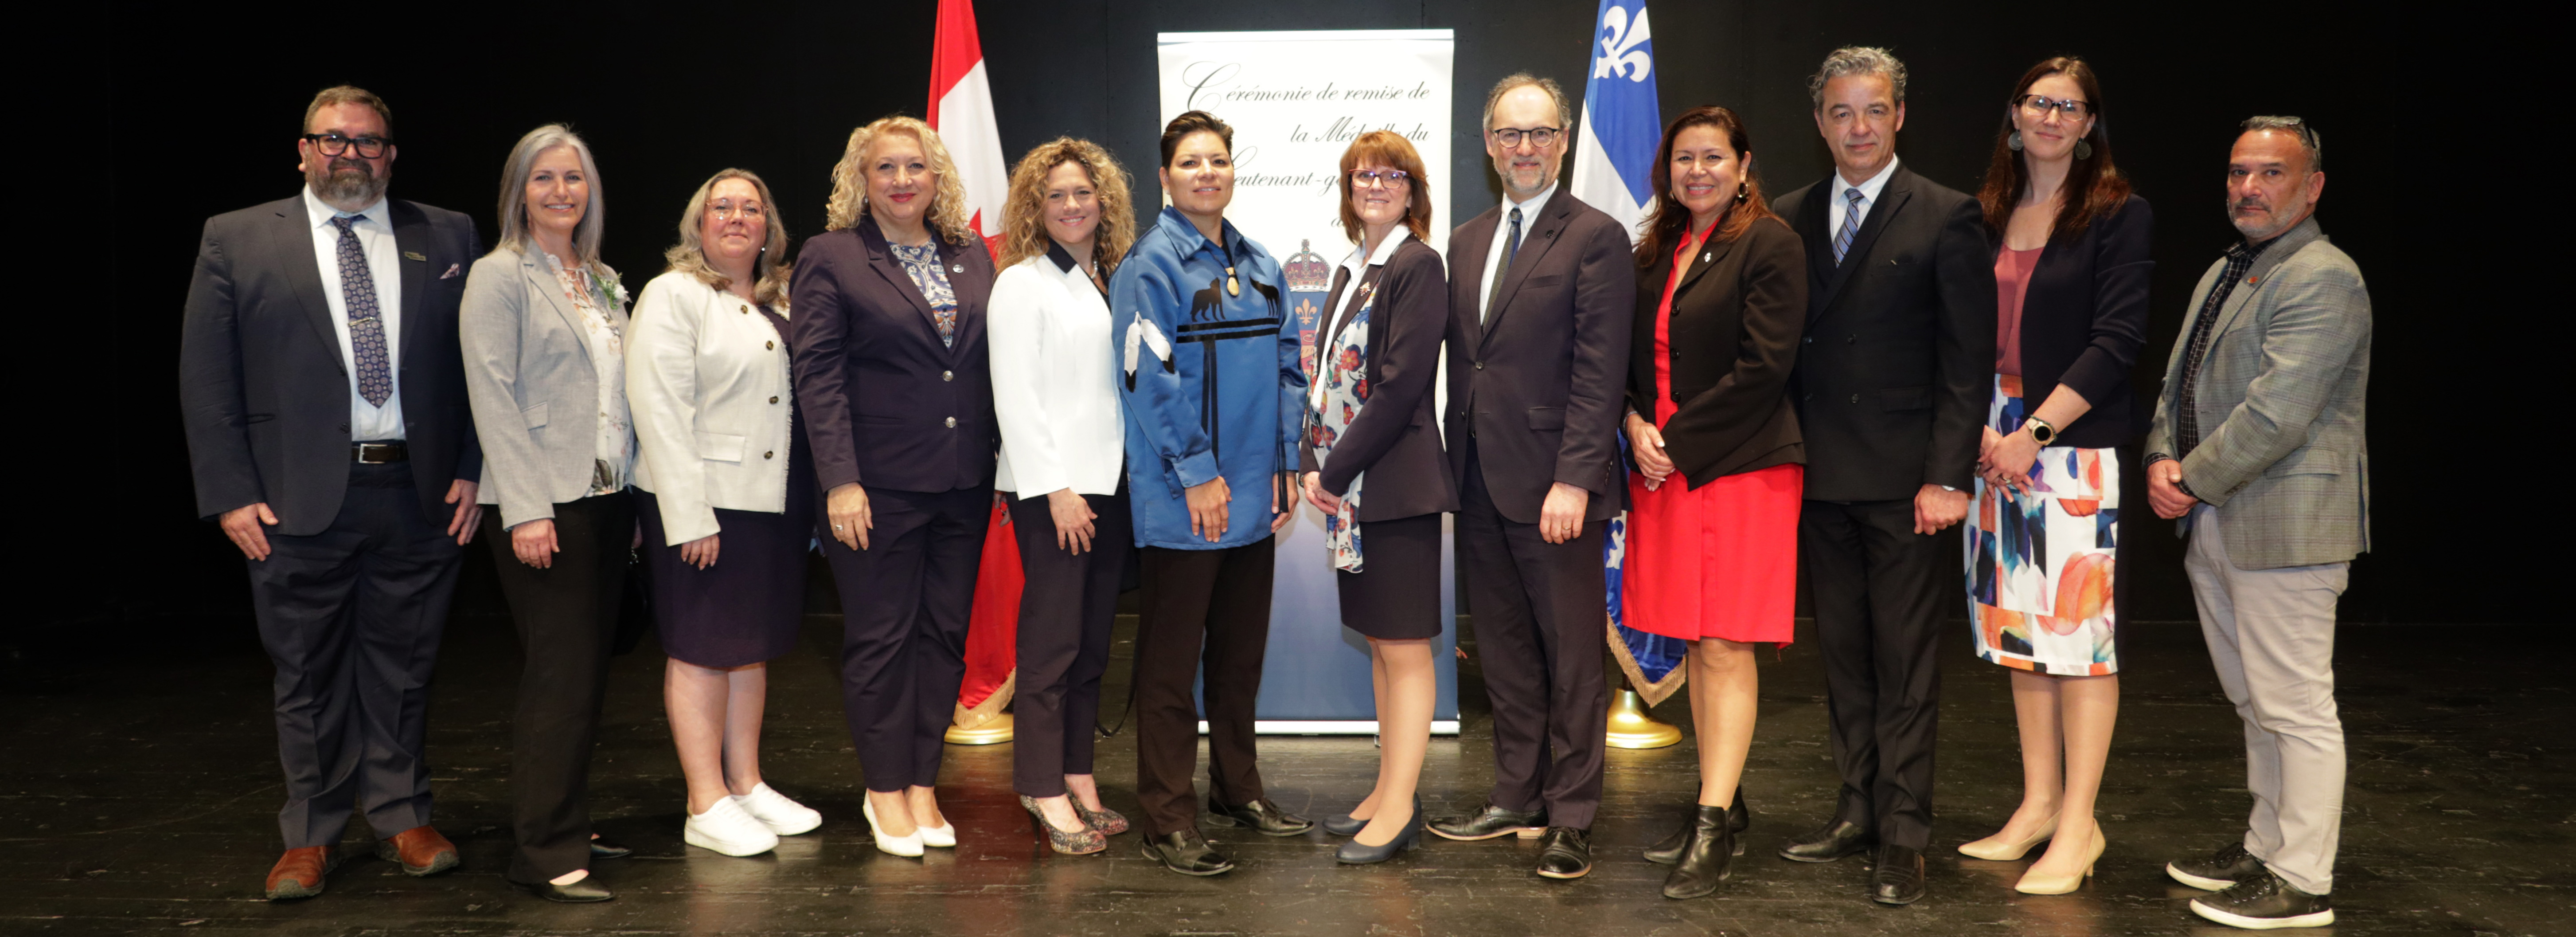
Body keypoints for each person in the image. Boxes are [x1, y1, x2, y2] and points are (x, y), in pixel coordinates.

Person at [179, 86, 483, 902]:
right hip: (290, 497)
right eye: (334, 141)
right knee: (307, 672)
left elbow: (484, 363)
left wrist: (474, 464)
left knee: (406, 665)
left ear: (392, 154)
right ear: (304, 149)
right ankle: (311, 832)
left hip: (418, 492)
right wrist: (231, 493)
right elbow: (206, 379)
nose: (352, 155)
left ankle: (400, 814)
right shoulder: (237, 237)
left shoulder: (446, 233)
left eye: (370, 143)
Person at [1770, 47, 1994, 907]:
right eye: (1839, 112)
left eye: (1872, 110)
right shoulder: (1788, 215)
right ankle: (1855, 809)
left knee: (1904, 664)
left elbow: (1964, 362)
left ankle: (1903, 834)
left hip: (1909, 485)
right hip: (1819, 476)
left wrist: (1947, 476)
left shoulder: (1946, 215)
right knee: (1843, 658)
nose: (1856, 127)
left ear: (1898, 115)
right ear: (1819, 121)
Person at [2149, 116, 2368, 932]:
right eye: (2240, 171)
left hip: (2287, 523)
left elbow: (2277, 415)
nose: (2249, 187)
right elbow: (2178, 381)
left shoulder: (2324, 276)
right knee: (2255, 700)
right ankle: (2266, 846)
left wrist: (2188, 478)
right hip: (2219, 518)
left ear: (2311, 187)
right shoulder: (2226, 271)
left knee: (2296, 704)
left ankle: (2304, 879)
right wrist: (2160, 458)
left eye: (2271, 173)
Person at [1425, 74, 1635, 882]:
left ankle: (1573, 813)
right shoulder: (1469, 239)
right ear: (1488, 143)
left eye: (1540, 133)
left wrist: (1576, 479)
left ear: (1564, 139)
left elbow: (1599, 371)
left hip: (1555, 487)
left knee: (1574, 654)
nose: (1524, 147)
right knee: (1507, 651)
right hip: (1476, 478)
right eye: (1510, 135)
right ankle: (1518, 792)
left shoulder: (1596, 236)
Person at [1952, 57, 2152, 898]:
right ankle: (2037, 803)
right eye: (2039, 101)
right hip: (1994, 440)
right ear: (2015, 115)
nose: (2051, 116)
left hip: (2066, 443)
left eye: (2069, 107)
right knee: (2021, 635)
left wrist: (2035, 432)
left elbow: (2118, 341)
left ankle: (2080, 823)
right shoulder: (1988, 213)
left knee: (2080, 639)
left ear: (2089, 125)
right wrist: (1988, 433)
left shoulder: (2118, 214)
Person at [790, 116, 997, 859]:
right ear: (862, 180)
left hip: (965, 483)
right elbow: (816, 373)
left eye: (916, 166)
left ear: (937, 179)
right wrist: (840, 480)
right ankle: (884, 789)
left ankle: (921, 782)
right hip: (874, 489)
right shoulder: (831, 256)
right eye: (886, 168)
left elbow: (981, 368)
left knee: (943, 637)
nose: (903, 180)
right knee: (883, 638)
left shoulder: (971, 255)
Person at [1114, 110, 1310, 877]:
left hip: (1254, 501)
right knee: (1169, 669)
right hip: (1182, 498)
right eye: (1191, 162)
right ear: (1165, 177)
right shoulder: (1151, 265)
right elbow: (1144, 379)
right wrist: (1198, 473)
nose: (1207, 172)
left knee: (1237, 659)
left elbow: (1290, 364)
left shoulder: (1260, 262)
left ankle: (1237, 789)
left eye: (1219, 161)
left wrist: (1282, 464)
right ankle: (1166, 816)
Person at [1618, 106, 1805, 900]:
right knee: (1697, 644)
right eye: (1684, 159)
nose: (1697, 171)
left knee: (1726, 644)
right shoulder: (1658, 247)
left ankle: (1712, 822)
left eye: (1713, 158)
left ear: (1744, 164)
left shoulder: (1771, 244)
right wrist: (1633, 424)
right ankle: (1720, 807)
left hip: (1738, 468)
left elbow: (1766, 368)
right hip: (1662, 468)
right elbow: (1629, 361)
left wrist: (1675, 442)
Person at [625, 168, 824, 859]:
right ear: (698, 223)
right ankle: (704, 800)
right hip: (706, 504)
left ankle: (746, 783)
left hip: (772, 502)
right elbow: (658, 410)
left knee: (752, 646)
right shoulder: (672, 295)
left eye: (751, 208)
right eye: (722, 207)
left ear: (768, 226)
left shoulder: (784, 298)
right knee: (703, 647)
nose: (737, 218)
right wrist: (689, 515)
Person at [460, 124, 636, 902]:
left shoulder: (595, 277)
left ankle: (569, 817)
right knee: (558, 679)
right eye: (544, 179)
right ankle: (543, 850)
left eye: (574, 178)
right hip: (543, 506)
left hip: (604, 499)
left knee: (587, 675)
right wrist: (529, 510)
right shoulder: (499, 277)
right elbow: (492, 397)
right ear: (518, 192)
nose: (562, 191)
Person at [1296, 130, 1456, 866]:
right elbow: (1325, 375)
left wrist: (1330, 475)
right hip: (1355, 490)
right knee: (1380, 648)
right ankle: (1388, 787)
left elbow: (1397, 392)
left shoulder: (1419, 266)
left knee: (1404, 646)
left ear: (1413, 190)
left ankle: (1400, 807)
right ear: (1348, 188)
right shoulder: (1352, 268)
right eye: (1363, 175)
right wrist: (1309, 458)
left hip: (1393, 488)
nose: (1375, 185)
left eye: (1392, 175)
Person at [987, 137, 1140, 856]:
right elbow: (1016, 398)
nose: (1073, 205)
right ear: (1034, 208)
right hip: (1059, 491)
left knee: (1090, 645)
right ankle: (1040, 785)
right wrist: (1055, 490)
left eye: (1084, 193)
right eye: (1057, 195)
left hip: (1110, 488)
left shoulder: (1111, 279)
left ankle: (1076, 772)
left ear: (1103, 200)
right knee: (1051, 645)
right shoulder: (1022, 283)